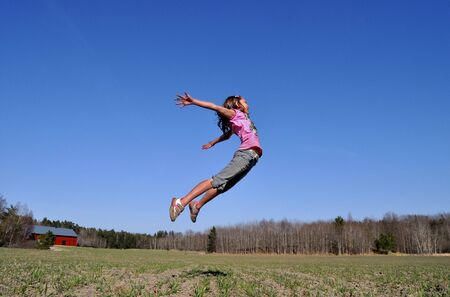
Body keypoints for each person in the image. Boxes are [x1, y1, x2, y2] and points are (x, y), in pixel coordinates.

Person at [170, 93, 263, 223]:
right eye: (245, 102)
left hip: (252, 158)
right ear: (237, 104)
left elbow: (227, 135)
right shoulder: (234, 114)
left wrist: (212, 142)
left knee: (222, 187)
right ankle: (181, 202)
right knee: (217, 180)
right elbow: (214, 107)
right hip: (246, 154)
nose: (248, 104)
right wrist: (194, 101)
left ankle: (197, 205)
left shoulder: (243, 118)